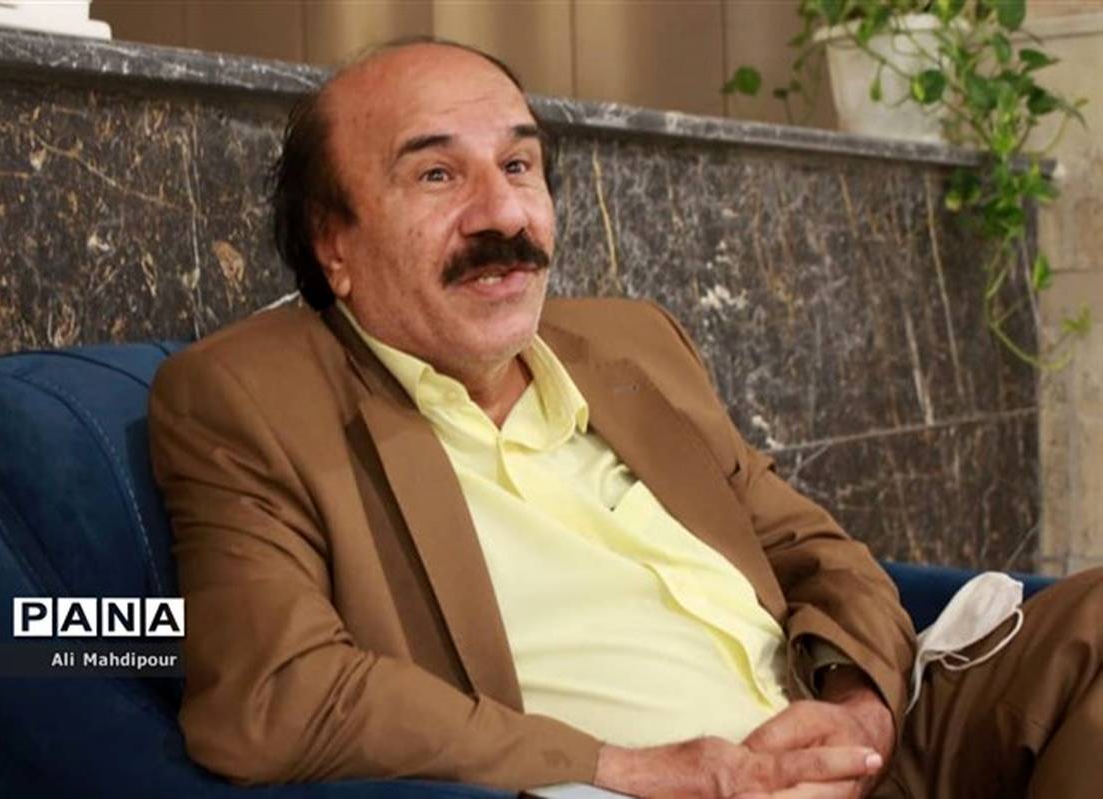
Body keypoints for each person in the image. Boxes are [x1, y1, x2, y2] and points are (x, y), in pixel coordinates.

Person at [148, 38, 1103, 798]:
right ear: (334, 243)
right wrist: (633, 769)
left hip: (865, 752)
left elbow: (815, 550)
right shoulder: (249, 398)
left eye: (519, 164)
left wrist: (858, 714)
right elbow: (275, 695)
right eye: (437, 175)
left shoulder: (630, 342)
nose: (504, 215)